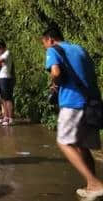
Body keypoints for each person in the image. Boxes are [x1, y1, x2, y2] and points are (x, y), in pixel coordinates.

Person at [42, 27, 103, 200]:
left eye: (44, 44)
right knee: (82, 145)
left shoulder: (53, 50)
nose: (45, 48)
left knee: (64, 142)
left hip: (72, 103)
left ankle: (96, 184)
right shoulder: (80, 49)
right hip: (91, 103)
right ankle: (91, 187)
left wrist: (55, 83)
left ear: (50, 40)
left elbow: (56, 72)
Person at [0, 39, 15, 125]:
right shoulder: (2, 54)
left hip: (6, 78)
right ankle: (5, 117)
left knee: (8, 98)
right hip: (1, 78)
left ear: (1, 47)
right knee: (3, 98)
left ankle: (10, 118)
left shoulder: (7, 53)